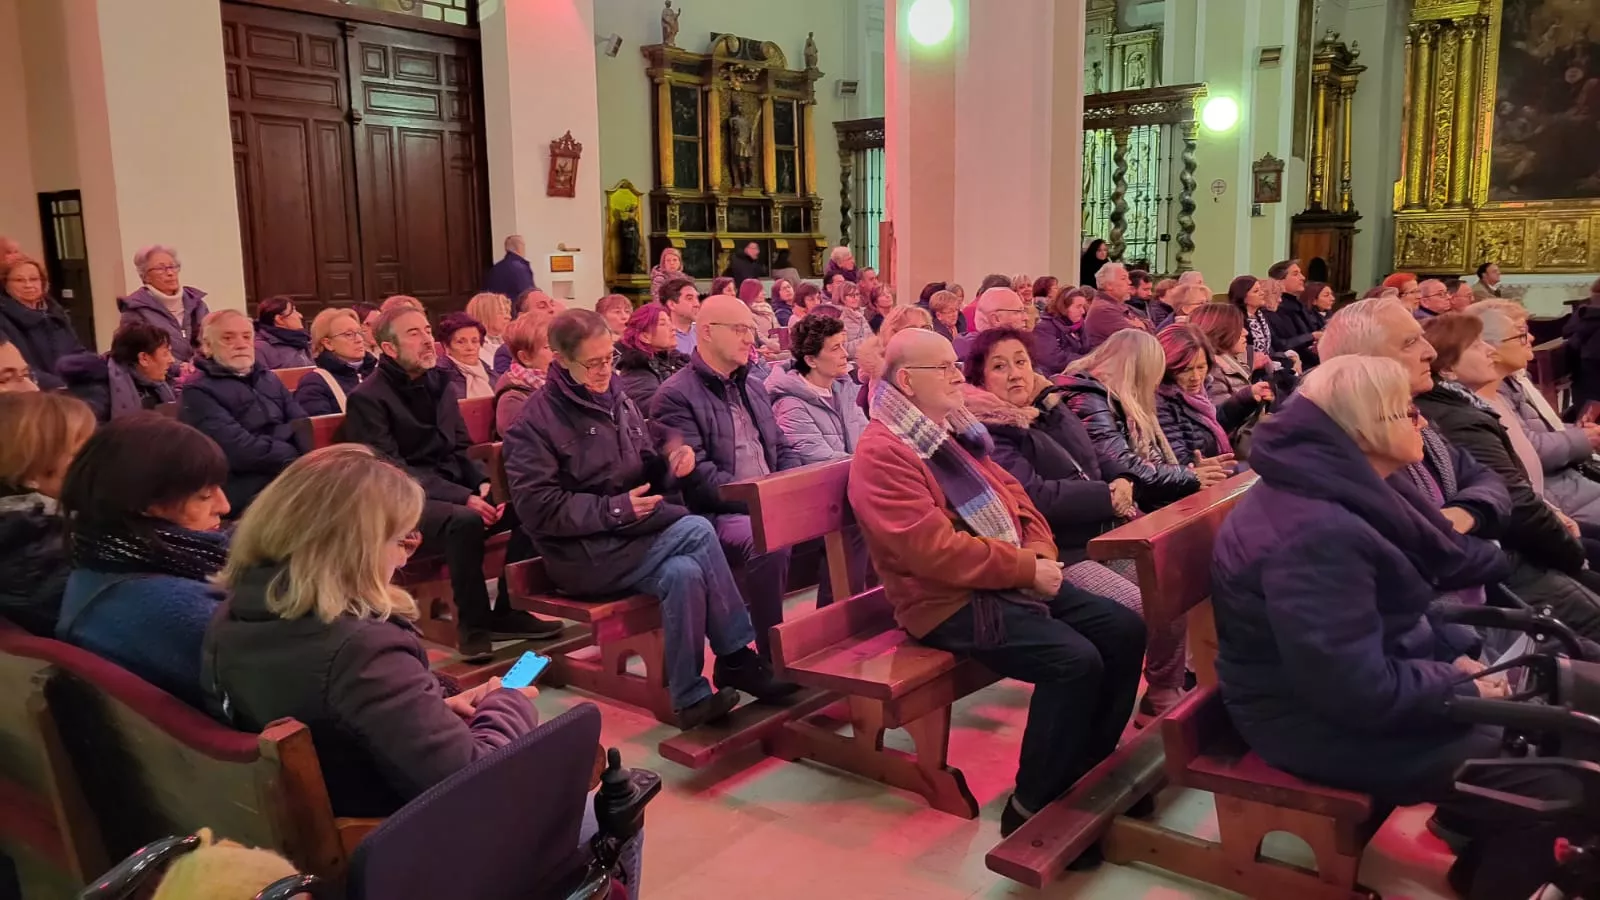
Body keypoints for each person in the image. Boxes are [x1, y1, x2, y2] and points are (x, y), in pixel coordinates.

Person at [1211, 354, 1581, 900]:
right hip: (1310, 721)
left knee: (1566, 720)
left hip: (1358, 691)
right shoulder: (1316, 533)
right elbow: (1349, 688)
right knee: (1564, 785)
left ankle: (1484, 859)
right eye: (1407, 412)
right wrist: (1460, 686)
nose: (1424, 423)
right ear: (1365, 429)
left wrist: (1453, 657)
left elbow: (1398, 611)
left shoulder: (1350, 490)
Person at [851, 328, 1146, 838]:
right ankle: (1034, 804)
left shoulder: (950, 431)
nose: (955, 375)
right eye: (942, 367)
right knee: (1073, 661)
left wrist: (1040, 551)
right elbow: (931, 552)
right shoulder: (885, 452)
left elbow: (1016, 496)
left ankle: (1089, 769)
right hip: (945, 602)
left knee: (1123, 628)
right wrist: (1026, 569)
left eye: (953, 364)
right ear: (906, 380)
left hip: (1003, 577)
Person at [205, 444, 539, 816]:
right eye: (401, 541)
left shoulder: (233, 617)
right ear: (354, 549)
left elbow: (339, 723)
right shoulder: (360, 650)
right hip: (409, 840)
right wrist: (506, 702)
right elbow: (478, 782)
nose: (401, 559)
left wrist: (427, 711)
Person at [504, 310, 796, 728]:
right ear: (561, 359)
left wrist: (669, 464)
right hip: (582, 557)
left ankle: (689, 697)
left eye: (611, 358)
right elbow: (538, 508)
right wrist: (616, 508)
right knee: (695, 529)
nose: (606, 370)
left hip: (627, 540)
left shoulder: (615, 398)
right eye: (594, 362)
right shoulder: (533, 423)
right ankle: (735, 657)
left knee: (683, 574)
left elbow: (640, 466)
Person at [960, 328, 1185, 718]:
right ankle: (1111, 709)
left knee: (1172, 587)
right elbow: (1034, 497)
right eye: (999, 367)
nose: (1015, 374)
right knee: (1138, 606)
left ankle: (1164, 688)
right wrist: (1105, 496)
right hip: (1061, 550)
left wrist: (1056, 408)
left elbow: (1090, 459)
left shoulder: (1044, 410)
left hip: (1102, 534)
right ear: (980, 379)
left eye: (1021, 362)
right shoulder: (988, 432)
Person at [338, 305, 561, 657]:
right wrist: (464, 497)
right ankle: (473, 626)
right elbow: (390, 470)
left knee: (527, 505)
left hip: (452, 493)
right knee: (465, 521)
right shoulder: (368, 399)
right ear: (389, 348)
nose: (427, 339)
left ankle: (507, 610)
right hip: (401, 503)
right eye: (414, 333)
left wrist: (484, 485)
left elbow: (460, 447)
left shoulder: (439, 383)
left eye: (427, 330)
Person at [1416, 314, 1597, 615]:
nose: (1490, 350)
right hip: (1515, 554)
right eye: (1476, 345)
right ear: (1447, 369)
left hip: (1535, 525)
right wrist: (1570, 551)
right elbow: (1514, 498)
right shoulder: (1459, 417)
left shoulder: (1471, 405)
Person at [651, 295, 802, 655]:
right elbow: (700, 480)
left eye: (750, 328)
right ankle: (770, 652)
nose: (750, 338)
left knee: (843, 516)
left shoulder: (751, 386)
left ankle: (836, 632)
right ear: (706, 332)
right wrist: (765, 503)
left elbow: (781, 448)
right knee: (770, 538)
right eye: (739, 329)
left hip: (767, 500)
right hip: (716, 514)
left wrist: (794, 489)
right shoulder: (675, 395)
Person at [58, 414, 232, 705]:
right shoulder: (179, 610)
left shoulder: (99, 560)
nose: (223, 506)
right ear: (146, 505)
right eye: (204, 496)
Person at [1061, 329, 1228, 509]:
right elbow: (1124, 465)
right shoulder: (1090, 400)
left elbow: (1151, 461)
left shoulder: (1115, 398)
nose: (1156, 383)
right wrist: (1189, 475)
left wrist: (1191, 468)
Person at [180, 310, 309, 513]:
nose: (241, 344)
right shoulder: (198, 390)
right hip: (242, 488)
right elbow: (239, 451)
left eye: (246, 336)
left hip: (287, 476)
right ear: (207, 346)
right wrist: (289, 450)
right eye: (228, 338)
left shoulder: (269, 379)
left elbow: (302, 424)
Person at [1485, 301, 1600, 527]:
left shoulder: (1513, 380)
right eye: (1521, 333)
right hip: (1553, 494)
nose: (1531, 339)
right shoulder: (1491, 389)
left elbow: (1544, 428)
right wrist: (1584, 438)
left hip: (1565, 481)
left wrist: (1577, 432)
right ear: (1490, 347)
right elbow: (1526, 451)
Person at [0, 392, 95, 636]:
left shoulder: (35, 528)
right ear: (31, 473)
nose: (99, 459)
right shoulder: (37, 553)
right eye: (82, 453)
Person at [768, 315, 870, 463]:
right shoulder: (790, 406)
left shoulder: (844, 390)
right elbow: (819, 460)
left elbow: (868, 439)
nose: (845, 354)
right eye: (835, 348)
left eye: (843, 345)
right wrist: (870, 462)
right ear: (811, 360)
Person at [1189, 303, 1275, 454]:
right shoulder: (1211, 370)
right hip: (1236, 452)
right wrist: (1249, 397)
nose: (1245, 332)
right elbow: (1218, 423)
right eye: (1239, 328)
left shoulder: (1231, 361)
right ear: (1221, 332)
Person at [58, 322, 177, 422]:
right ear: (144, 358)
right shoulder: (98, 391)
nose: (172, 360)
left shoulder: (157, 384)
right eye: (165, 354)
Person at [0, 254, 84, 389]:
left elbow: (76, 351)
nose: (28, 285)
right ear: (5, 285)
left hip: (71, 387)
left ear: (42, 282)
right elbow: (18, 367)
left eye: (33, 279)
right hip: (33, 392)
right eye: (19, 280)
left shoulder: (56, 313)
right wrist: (60, 386)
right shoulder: (3, 319)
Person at [1155, 324, 1234, 466]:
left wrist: (1245, 399)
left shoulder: (1201, 394)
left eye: (1201, 367)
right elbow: (1178, 458)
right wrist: (1196, 465)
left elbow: (1211, 425)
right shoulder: (1160, 402)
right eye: (1186, 369)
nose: (1196, 377)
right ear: (1167, 368)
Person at [118, 245, 210, 365]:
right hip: (162, 377)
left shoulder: (196, 303)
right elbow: (140, 351)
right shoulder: (135, 309)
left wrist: (198, 366)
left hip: (199, 373)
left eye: (173, 267)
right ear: (145, 276)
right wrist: (180, 368)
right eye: (160, 269)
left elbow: (210, 341)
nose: (170, 273)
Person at [294, 307, 377, 416]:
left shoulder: (378, 373)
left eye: (359, 332)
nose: (359, 339)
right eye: (349, 334)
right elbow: (322, 429)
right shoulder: (315, 383)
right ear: (328, 343)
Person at [617, 303, 689, 413]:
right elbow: (652, 407)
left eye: (670, 322)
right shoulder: (636, 369)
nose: (673, 328)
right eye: (663, 324)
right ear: (645, 337)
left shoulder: (677, 360)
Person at [491, 311, 553, 440]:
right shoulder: (513, 399)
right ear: (525, 357)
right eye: (549, 347)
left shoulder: (562, 383)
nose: (558, 353)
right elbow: (523, 449)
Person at [1081, 263, 1151, 354]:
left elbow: (1152, 328)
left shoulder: (1119, 305)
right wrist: (1143, 326)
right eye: (1123, 278)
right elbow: (1138, 341)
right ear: (1109, 285)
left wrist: (1144, 325)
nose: (1129, 282)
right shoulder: (1104, 310)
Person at [1263, 259, 1319, 367]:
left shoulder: (1298, 304)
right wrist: (1312, 336)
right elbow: (1282, 345)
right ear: (1280, 281)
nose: (1302, 277)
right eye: (1295, 274)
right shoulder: (1275, 309)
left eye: (1301, 273)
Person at [952, 287, 1032, 363]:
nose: (1026, 318)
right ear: (996, 319)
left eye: (1024, 311)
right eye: (1018, 312)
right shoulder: (982, 357)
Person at [436, 313, 496, 401]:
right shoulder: (439, 379)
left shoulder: (493, 375)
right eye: (461, 342)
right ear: (446, 346)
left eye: (474, 341)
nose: (470, 347)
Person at [1032, 287, 1092, 375]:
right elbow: (1053, 359)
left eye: (1083, 307)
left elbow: (1087, 348)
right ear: (1064, 307)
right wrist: (1085, 361)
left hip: (1077, 372)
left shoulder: (1079, 324)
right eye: (1078, 306)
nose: (1083, 311)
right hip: (1053, 376)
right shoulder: (1044, 327)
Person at [250, 296, 314, 369]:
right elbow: (262, 378)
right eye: (293, 311)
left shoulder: (301, 341)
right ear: (279, 319)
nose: (300, 316)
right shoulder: (261, 348)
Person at [467, 292, 514, 369]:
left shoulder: (510, 341)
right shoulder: (474, 348)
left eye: (508, 312)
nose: (508, 317)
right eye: (501, 312)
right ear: (484, 314)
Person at [484, 234, 536, 300]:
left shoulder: (495, 268)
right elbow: (528, 293)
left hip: (497, 307)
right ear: (520, 247)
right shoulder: (520, 268)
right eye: (524, 245)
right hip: (515, 307)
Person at [830, 280, 872, 360]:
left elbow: (872, 339)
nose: (855, 298)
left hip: (866, 358)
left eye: (857, 294)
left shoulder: (860, 315)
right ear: (841, 297)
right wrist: (865, 342)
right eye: (851, 295)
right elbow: (841, 348)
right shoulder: (839, 318)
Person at [660, 275, 700, 356]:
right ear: (672, 304)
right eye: (689, 298)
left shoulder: (702, 332)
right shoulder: (662, 338)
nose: (697, 304)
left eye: (697, 298)